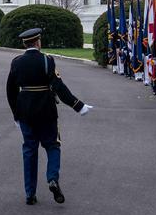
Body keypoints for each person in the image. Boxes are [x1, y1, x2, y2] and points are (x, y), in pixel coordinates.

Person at [5, 27, 92, 205]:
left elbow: (10, 90)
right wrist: (78, 106)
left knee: (29, 151)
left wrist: (16, 114)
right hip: (46, 111)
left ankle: (30, 194)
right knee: (52, 146)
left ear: (24, 43)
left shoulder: (16, 62)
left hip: (25, 113)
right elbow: (59, 87)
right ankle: (52, 178)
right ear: (38, 42)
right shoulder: (47, 60)